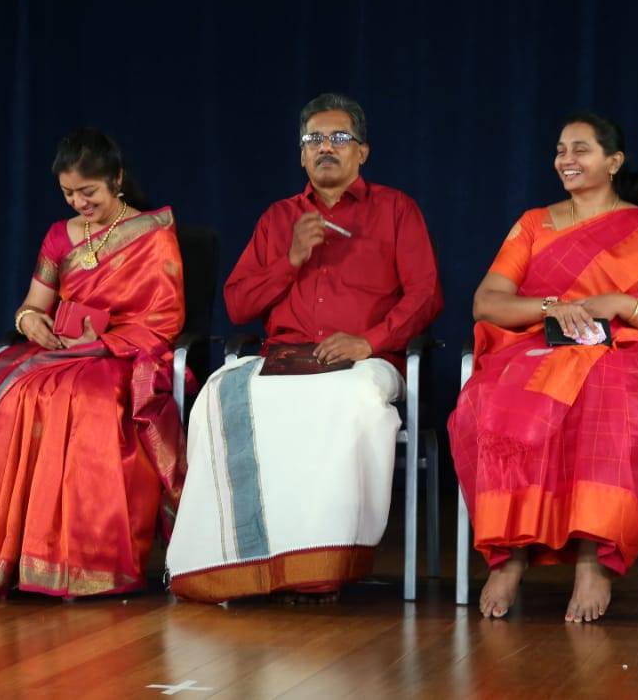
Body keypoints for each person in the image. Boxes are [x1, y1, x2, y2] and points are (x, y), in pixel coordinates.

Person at [166, 93, 443, 603]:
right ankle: (234, 564)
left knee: (346, 401)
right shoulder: (279, 218)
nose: (326, 148)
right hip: (288, 355)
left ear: (363, 152)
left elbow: (426, 296)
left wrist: (369, 341)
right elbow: (237, 304)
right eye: (314, 139)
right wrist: (290, 258)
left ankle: (321, 566)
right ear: (300, 156)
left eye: (340, 138)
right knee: (215, 394)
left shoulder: (396, 209)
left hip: (367, 360)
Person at [449, 112, 638, 622]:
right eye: (561, 150)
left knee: (608, 398)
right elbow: (487, 303)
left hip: (619, 357)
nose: (567, 160)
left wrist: (620, 303)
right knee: (491, 399)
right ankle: (510, 555)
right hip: (534, 353)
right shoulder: (533, 224)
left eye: (581, 150)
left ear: (613, 162)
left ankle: (594, 560)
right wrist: (550, 307)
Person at [0, 128, 186, 598]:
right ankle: (16, 558)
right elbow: (34, 304)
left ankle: (87, 562)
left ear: (116, 179)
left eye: (88, 191)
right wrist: (30, 320)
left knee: (87, 400)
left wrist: (106, 341)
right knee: (18, 396)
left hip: (124, 355)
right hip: (59, 350)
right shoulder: (59, 235)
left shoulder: (152, 237)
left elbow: (163, 320)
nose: (79, 203)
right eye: (69, 193)